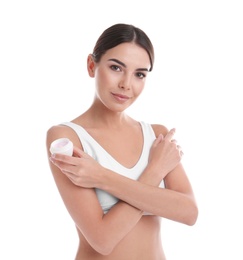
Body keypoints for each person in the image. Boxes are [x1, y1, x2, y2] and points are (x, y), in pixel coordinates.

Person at [46, 23, 198, 260]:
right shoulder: (67, 138)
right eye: (116, 67)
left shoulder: (156, 135)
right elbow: (102, 240)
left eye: (139, 74)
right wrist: (155, 171)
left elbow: (189, 213)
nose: (127, 84)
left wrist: (101, 177)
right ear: (91, 65)